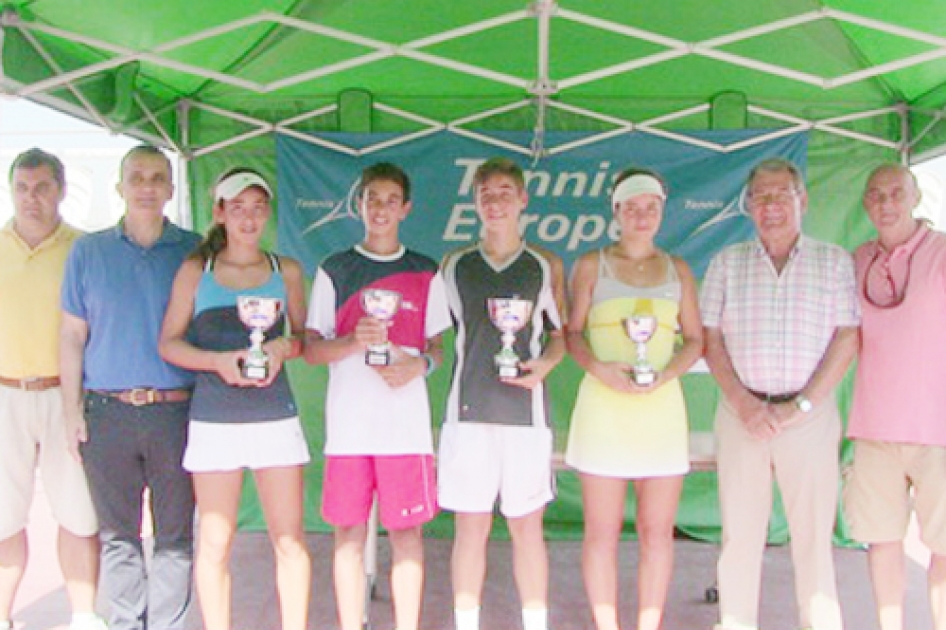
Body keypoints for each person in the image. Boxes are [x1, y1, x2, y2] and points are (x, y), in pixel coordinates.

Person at [700, 158, 859, 630]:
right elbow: (710, 342)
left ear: (802, 201)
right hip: (740, 412)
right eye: (761, 197)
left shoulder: (833, 261)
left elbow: (847, 338)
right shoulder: (726, 263)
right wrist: (746, 403)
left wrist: (800, 405)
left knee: (812, 536)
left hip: (809, 416)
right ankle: (735, 621)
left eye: (781, 195)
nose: (771, 206)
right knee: (740, 536)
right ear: (748, 207)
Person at [158, 168, 311, 630]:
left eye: (257, 207)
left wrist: (286, 347)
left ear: (267, 213)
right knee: (215, 542)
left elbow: (304, 337)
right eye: (238, 207)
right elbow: (168, 343)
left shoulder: (286, 270)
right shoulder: (194, 271)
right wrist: (218, 362)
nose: (248, 217)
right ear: (220, 212)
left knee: (289, 540)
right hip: (214, 421)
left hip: (274, 419)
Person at [60, 145, 200, 630]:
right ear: (119, 188)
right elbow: (72, 335)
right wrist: (71, 410)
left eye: (156, 177)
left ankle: (167, 625)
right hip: (108, 412)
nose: (146, 186)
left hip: (175, 412)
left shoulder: (194, 250)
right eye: (136, 177)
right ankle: (124, 622)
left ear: (170, 189)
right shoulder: (87, 251)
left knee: (175, 537)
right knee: (118, 536)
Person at [305, 162, 450, 630]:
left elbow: (437, 349)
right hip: (349, 430)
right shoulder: (335, 269)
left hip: (404, 430)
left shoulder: (426, 271)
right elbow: (311, 350)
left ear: (405, 208)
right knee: (347, 534)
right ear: (359, 205)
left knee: (407, 533)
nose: (381, 209)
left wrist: (417, 366)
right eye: (372, 199)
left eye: (391, 200)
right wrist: (353, 342)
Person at [565, 167, 703, 630]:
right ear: (616, 212)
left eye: (651, 207)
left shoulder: (678, 269)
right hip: (603, 410)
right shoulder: (590, 265)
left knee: (656, 532)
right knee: (600, 533)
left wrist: (666, 375)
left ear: (662, 212)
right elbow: (571, 333)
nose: (642, 215)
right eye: (632, 207)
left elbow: (697, 341)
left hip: (661, 413)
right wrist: (599, 368)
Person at [439, 157, 566, 630]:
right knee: (470, 528)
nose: (495, 202)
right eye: (485, 194)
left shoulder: (543, 266)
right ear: (475, 201)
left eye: (504, 193)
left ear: (523, 200)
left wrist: (544, 368)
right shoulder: (454, 267)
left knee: (526, 529)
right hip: (467, 414)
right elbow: (439, 335)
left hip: (526, 418)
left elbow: (560, 335)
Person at [0, 149, 105, 630]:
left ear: (61, 190)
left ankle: (83, 617)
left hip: (67, 398)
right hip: (4, 396)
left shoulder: (84, 249)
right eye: (21, 187)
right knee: (4, 519)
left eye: (41, 187)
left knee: (79, 514)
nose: (31, 198)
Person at [844, 163, 946, 630]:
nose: (886, 203)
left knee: (943, 546)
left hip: (937, 430)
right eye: (876, 194)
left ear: (915, 197)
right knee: (881, 541)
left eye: (895, 194)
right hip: (874, 428)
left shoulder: (942, 251)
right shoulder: (857, 260)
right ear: (865, 202)